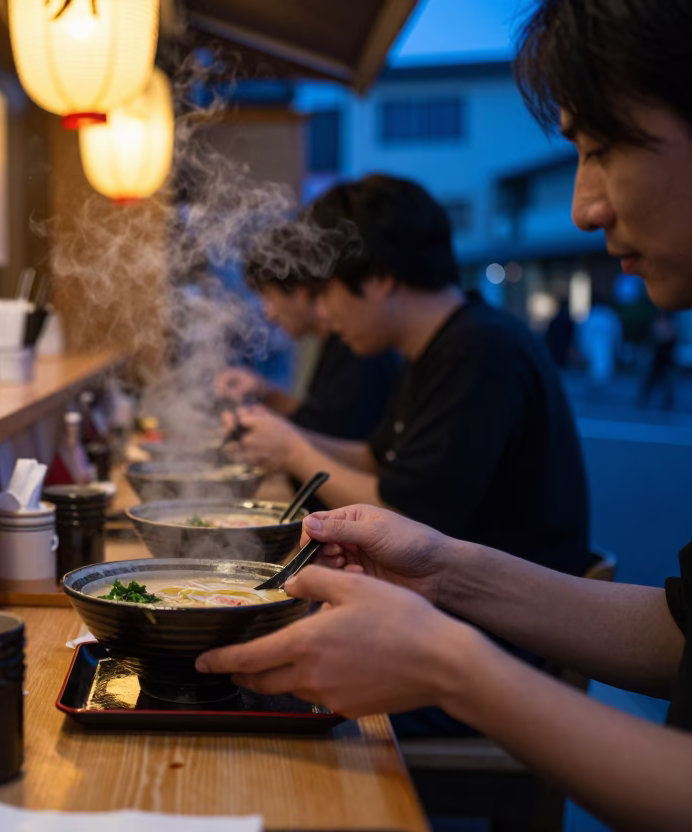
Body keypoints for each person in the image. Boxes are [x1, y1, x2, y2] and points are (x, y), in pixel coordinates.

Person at [197, 0, 692, 825]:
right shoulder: (435, 351)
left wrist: (448, 663)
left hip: (511, 658)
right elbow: (681, 632)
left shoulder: (480, 348)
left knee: (246, 719)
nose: (584, 207)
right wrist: (441, 569)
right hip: (490, 634)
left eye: (601, 149)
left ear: (379, 278)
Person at [228, 174, 591, 580]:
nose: (325, 313)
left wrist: (294, 450)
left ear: (380, 278)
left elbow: (404, 521)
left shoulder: (480, 350)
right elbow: (375, 457)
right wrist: (280, 437)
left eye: (326, 291)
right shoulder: (438, 343)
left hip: (503, 620)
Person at [216, 247, 400, 442]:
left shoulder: (359, 346)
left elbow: (338, 440)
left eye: (269, 296)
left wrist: (285, 444)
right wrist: (264, 393)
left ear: (301, 293)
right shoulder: (335, 345)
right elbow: (323, 416)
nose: (267, 313)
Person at [639, 311, 679, 410]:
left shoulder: (670, 327)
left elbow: (670, 340)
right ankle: (644, 398)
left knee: (666, 382)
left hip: (666, 358)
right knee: (652, 380)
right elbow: (653, 339)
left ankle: (667, 402)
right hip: (657, 358)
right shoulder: (658, 325)